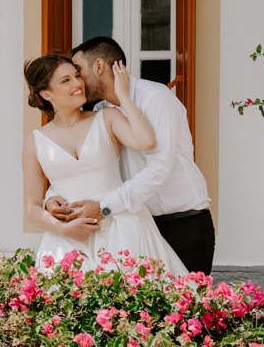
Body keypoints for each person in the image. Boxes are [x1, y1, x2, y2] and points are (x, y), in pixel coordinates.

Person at [46, 37, 215, 274]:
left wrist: (104, 206)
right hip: (137, 228)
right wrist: (52, 196)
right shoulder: (100, 111)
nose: (77, 81)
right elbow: (87, 167)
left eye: (78, 71)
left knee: (187, 308)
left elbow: (159, 170)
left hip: (181, 224)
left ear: (99, 66)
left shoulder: (156, 98)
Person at [22, 54, 189, 275]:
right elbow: (32, 208)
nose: (78, 83)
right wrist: (64, 229)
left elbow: (146, 140)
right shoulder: (34, 142)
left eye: (77, 76)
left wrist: (123, 95)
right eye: (66, 80)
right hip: (66, 241)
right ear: (46, 94)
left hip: (123, 228)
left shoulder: (107, 117)